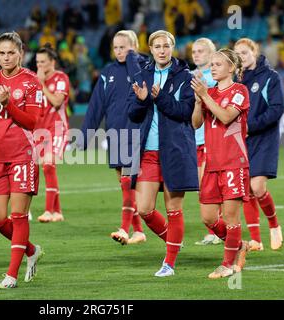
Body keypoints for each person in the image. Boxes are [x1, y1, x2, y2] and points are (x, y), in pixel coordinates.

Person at [0, 32, 44, 289]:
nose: (6, 57)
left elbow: (33, 122)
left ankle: (11, 275)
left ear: (21, 53)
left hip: (23, 155)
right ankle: (32, 250)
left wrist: (9, 104)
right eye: (2, 53)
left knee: (18, 215)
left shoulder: (31, 82)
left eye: (11, 53)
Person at [128, 30, 198, 277]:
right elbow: (133, 114)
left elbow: (184, 112)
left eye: (166, 46)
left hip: (175, 150)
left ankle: (169, 262)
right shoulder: (142, 75)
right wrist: (141, 101)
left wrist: (159, 98)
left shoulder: (184, 76)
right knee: (144, 208)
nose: (161, 50)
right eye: (157, 46)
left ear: (173, 47)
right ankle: (174, 242)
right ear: (150, 49)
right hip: (148, 152)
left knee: (173, 209)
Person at [79, 30, 147, 245]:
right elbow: (96, 106)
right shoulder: (108, 72)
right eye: (116, 47)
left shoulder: (143, 67)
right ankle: (138, 231)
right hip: (115, 133)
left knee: (128, 182)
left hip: (135, 132)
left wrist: (132, 59)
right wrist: (85, 136)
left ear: (134, 46)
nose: (119, 51)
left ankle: (124, 229)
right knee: (125, 185)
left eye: (124, 47)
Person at [191, 48, 250, 279]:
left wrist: (205, 96)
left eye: (217, 64)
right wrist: (198, 102)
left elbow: (226, 116)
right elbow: (196, 124)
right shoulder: (210, 92)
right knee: (208, 217)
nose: (212, 68)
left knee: (231, 216)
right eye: (212, 64)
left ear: (231, 68)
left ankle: (227, 264)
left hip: (234, 162)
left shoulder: (240, 91)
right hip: (211, 163)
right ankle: (239, 245)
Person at [235, 38, 284, 251]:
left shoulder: (270, 77)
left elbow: (276, 109)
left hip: (264, 138)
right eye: (237, 55)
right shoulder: (236, 80)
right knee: (245, 189)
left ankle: (274, 225)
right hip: (242, 140)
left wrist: (250, 126)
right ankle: (256, 240)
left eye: (245, 53)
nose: (242, 58)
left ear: (254, 52)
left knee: (257, 186)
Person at [190, 38, 223, 246]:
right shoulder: (190, 76)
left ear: (212, 54)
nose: (196, 54)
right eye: (194, 51)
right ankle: (215, 229)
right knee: (201, 187)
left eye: (201, 51)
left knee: (208, 187)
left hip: (211, 140)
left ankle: (216, 230)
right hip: (193, 139)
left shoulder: (217, 77)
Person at [34, 44, 70, 223]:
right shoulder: (34, 81)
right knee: (47, 169)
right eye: (37, 62)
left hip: (57, 128)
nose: (39, 66)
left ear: (52, 62)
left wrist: (41, 85)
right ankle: (58, 212)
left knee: (48, 166)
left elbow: (57, 101)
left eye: (43, 62)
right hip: (39, 130)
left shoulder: (61, 78)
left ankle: (48, 211)